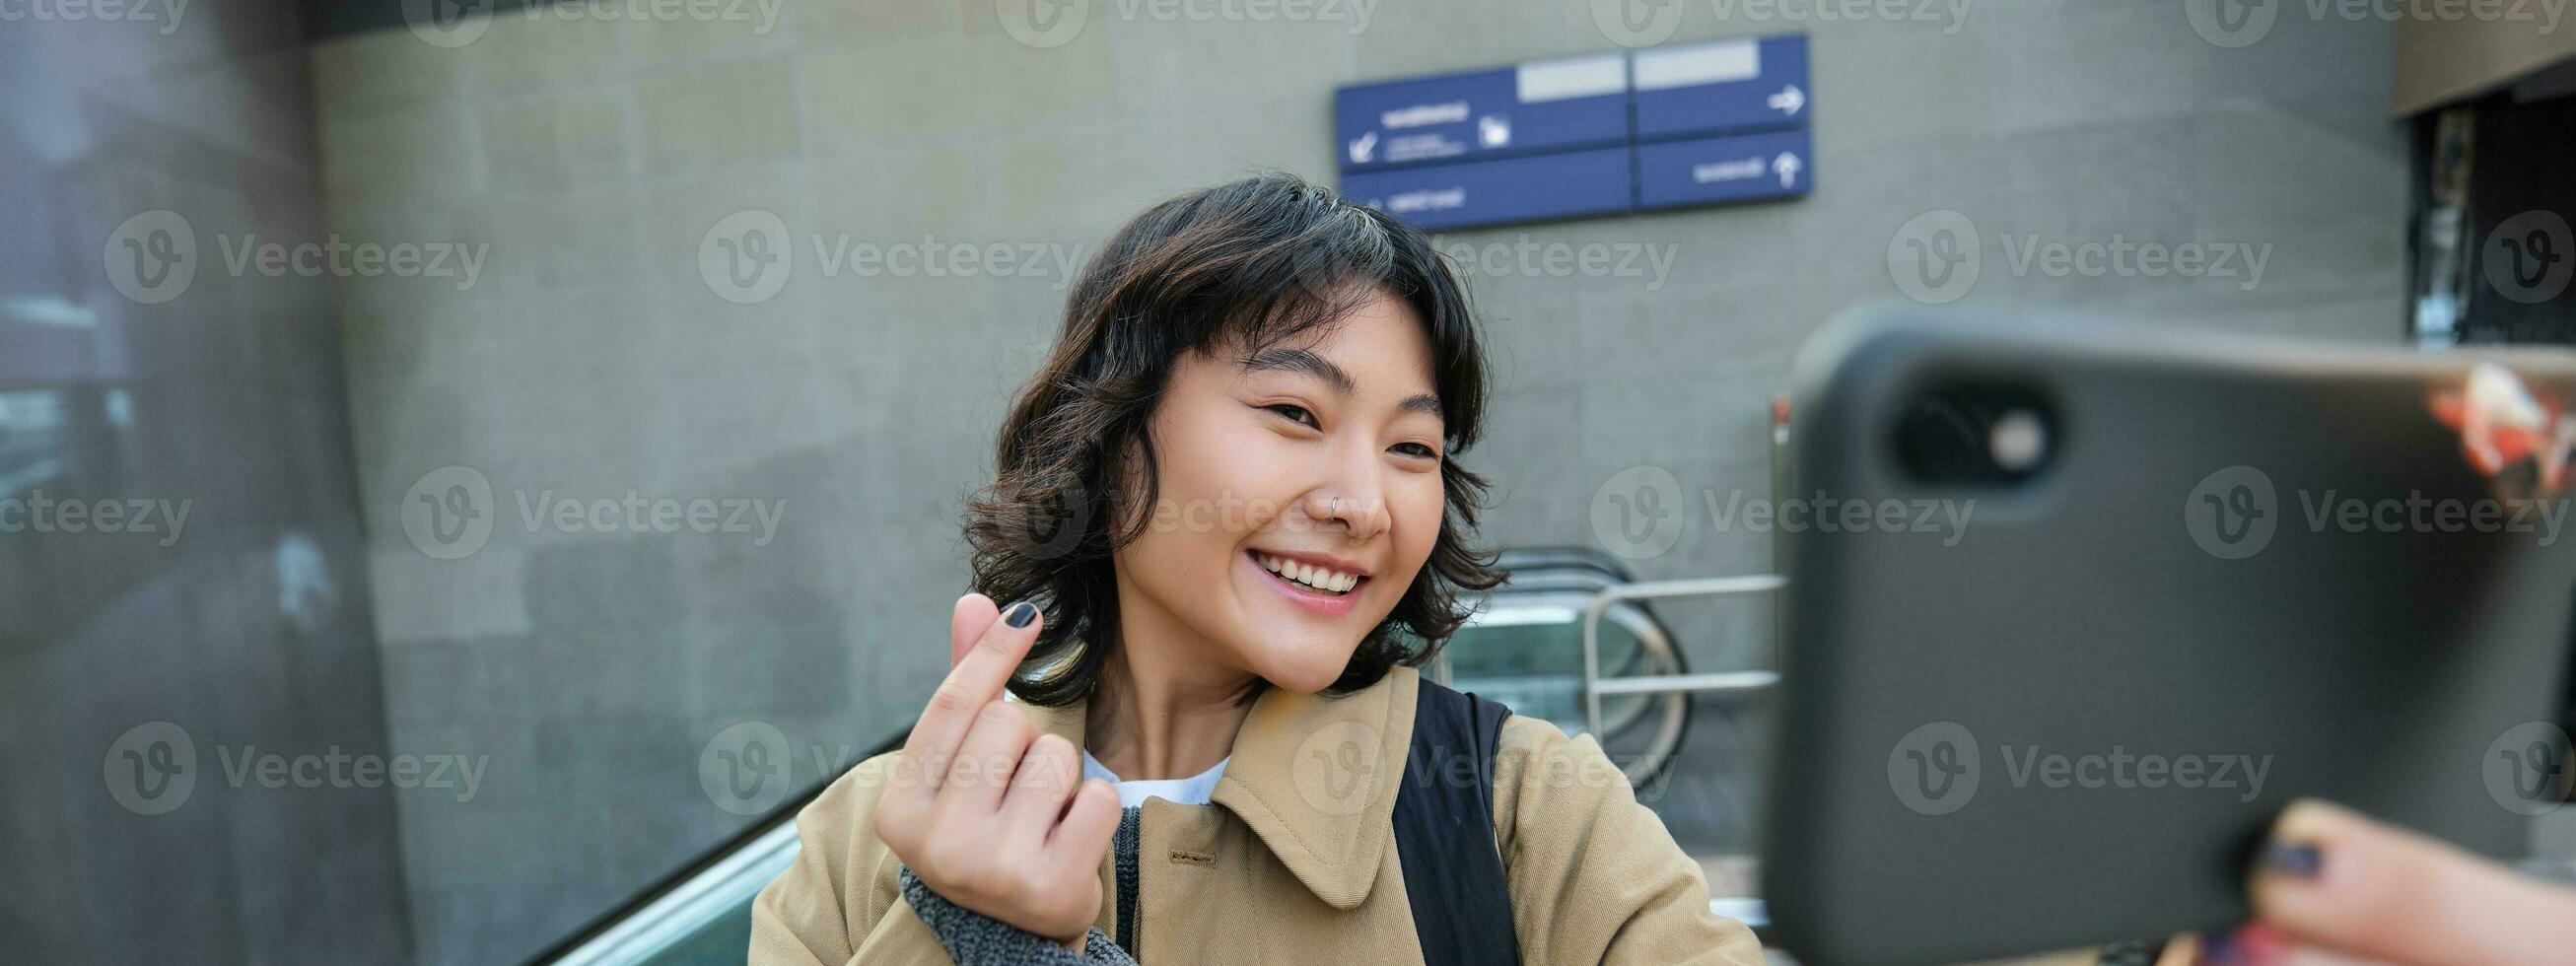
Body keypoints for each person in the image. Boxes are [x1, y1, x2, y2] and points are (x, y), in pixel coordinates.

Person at [747, 173, 1766, 964]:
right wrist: (965, 927)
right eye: (1295, 413)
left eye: (1413, 448)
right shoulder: (866, 842)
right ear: (1110, 427)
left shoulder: (1522, 807)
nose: (1364, 503)